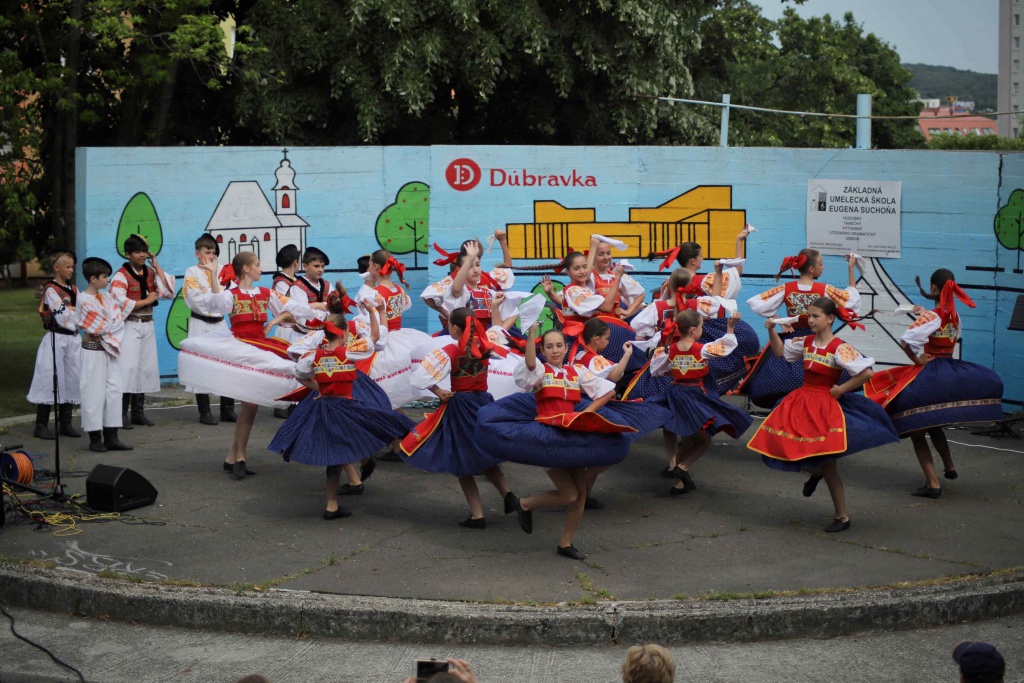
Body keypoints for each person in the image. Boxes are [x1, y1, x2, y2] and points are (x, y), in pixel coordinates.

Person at [476, 326, 665, 560]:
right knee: (569, 495)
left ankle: (565, 543)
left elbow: (608, 391)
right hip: (548, 437)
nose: (555, 350)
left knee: (580, 494)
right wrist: (532, 337)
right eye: (549, 347)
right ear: (543, 350)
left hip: (573, 432)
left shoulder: (576, 371)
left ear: (566, 348)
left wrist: (586, 414)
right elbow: (530, 366)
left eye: (559, 345)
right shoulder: (540, 370)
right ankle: (525, 504)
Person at [747, 297, 899, 532]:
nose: (811, 320)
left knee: (829, 465)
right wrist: (771, 331)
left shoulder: (839, 347)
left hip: (825, 407)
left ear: (830, 319)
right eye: (809, 316)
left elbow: (867, 373)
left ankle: (842, 517)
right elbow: (780, 352)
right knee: (789, 449)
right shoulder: (806, 341)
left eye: (816, 316)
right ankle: (815, 472)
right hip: (801, 403)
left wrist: (842, 389)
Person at [177, 251, 325, 479]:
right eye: (257, 264)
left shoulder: (266, 293)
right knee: (250, 404)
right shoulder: (232, 294)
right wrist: (214, 275)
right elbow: (216, 304)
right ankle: (240, 456)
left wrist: (322, 309)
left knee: (252, 404)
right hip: (242, 350)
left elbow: (294, 307)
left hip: (261, 346)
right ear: (246, 269)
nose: (260, 268)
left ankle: (234, 457)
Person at [865, 269, 1004, 498]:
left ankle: (933, 484)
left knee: (916, 428)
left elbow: (907, 341)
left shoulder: (933, 316)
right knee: (934, 421)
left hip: (930, 374)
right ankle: (949, 466)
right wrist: (924, 314)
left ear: (933, 288)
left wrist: (916, 359)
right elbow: (943, 327)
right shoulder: (955, 316)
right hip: (949, 370)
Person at [268, 313, 413, 519]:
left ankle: (332, 504)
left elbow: (299, 374)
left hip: (325, 407)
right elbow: (374, 337)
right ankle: (360, 469)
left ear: (325, 335)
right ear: (345, 334)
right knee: (376, 426)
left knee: (333, 457)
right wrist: (374, 311)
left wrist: (318, 388)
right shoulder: (350, 352)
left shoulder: (313, 356)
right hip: (346, 406)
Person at [400, 308, 516, 528]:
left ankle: (477, 514)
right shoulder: (486, 344)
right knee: (483, 454)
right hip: (483, 402)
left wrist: (438, 391)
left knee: (462, 459)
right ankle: (507, 493)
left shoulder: (450, 351)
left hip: (461, 405)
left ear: (454, 328)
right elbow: (505, 353)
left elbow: (419, 378)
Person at [740, 249, 861, 408]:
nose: (823, 267)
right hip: (817, 342)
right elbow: (851, 299)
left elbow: (756, 302)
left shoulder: (786, 288)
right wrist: (851, 268)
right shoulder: (825, 289)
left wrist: (780, 319)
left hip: (793, 339)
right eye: (821, 264)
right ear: (811, 269)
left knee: (782, 381)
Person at [650, 310, 753, 495]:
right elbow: (727, 346)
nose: (702, 330)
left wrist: (675, 370)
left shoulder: (669, 350)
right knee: (704, 441)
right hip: (694, 395)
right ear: (692, 330)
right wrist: (730, 327)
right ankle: (682, 468)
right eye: (701, 326)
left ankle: (677, 483)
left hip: (675, 393)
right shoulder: (702, 349)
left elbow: (656, 371)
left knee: (687, 439)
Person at [653, 228, 760, 393]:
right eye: (701, 256)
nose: (702, 259)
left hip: (676, 333)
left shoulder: (669, 281)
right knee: (746, 338)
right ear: (693, 261)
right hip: (702, 329)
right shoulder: (705, 280)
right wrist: (739, 241)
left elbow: (664, 306)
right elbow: (737, 271)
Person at [110, 233, 175, 429]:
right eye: (137, 252)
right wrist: (146, 301)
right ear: (128, 254)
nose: (142, 255)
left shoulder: (150, 272)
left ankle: (138, 412)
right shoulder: (121, 275)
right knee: (127, 367)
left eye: (144, 251)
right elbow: (118, 302)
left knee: (145, 367)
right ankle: (120, 413)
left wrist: (157, 266)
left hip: (148, 323)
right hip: (130, 324)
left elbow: (168, 292)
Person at [538, 251, 642, 371]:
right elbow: (607, 307)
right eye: (577, 268)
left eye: (584, 267)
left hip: (588, 337)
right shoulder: (574, 291)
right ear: (568, 272)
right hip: (583, 341)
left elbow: (565, 303)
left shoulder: (580, 290)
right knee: (628, 343)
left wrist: (550, 293)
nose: (582, 271)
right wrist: (617, 278)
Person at [74, 257, 136, 452]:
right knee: (93, 392)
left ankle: (112, 436)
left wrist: (110, 324)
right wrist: (110, 324)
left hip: (109, 352)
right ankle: (95, 438)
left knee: (114, 391)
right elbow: (96, 327)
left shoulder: (107, 297)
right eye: (105, 276)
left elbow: (118, 319)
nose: (108, 280)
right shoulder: (83, 300)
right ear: (93, 278)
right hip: (93, 352)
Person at [182, 234, 237, 425]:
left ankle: (227, 409)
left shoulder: (223, 271)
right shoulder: (191, 272)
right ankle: (204, 411)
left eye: (213, 252)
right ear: (197, 253)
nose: (211, 256)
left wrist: (213, 296)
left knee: (226, 363)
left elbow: (229, 297)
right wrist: (215, 297)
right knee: (200, 365)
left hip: (220, 323)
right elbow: (194, 299)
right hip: (200, 323)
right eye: (207, 252)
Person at [28, 250, 82, 440]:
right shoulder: (51, 289)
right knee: (49, 378)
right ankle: (41, 425)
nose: (71, 270)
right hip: (56, 339)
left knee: (71, 377)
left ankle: (65, 423)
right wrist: (73, 310)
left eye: (72, 267)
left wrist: (72, 310)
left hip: (73, 339)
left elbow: (83, 311)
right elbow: (62, 317)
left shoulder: (74, 289)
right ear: (56, 267)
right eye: (67, 266)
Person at [586, 234, 646, 320]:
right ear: (593, 256)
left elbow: (640, 295)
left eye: (608, 253)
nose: (606, 257)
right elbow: (586, 276)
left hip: (615, 323)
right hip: (595, 324)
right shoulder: (590, 276)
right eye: (601, 254)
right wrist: (592, 248)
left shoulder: (616, 275)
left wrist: (628, 312)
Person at [271, 243, 302, 342]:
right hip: (287, 331)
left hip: (299, 329)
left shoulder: (297, 280)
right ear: (295, 262)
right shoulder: (281, 283)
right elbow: (291, 308)